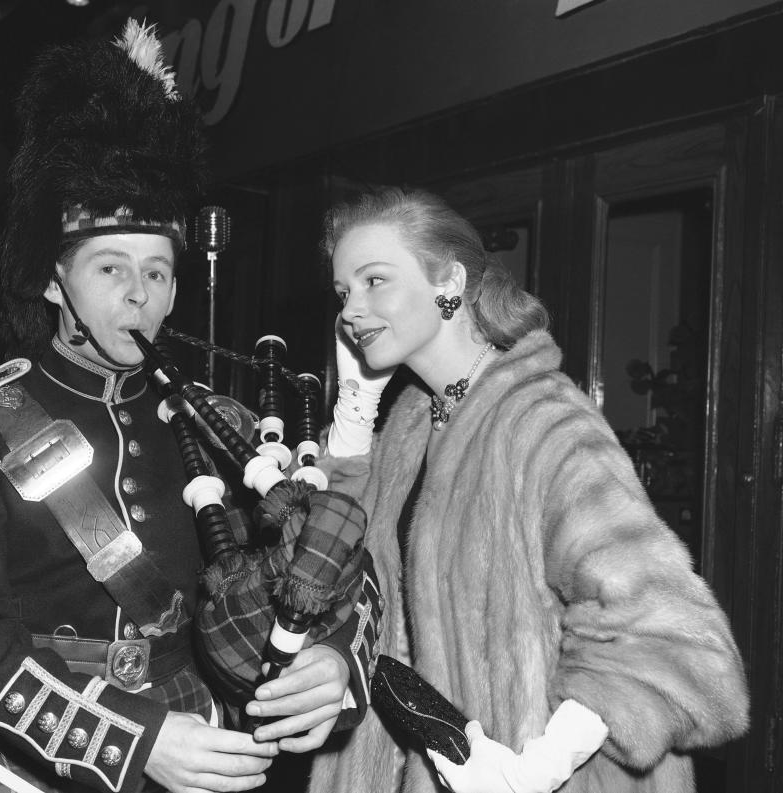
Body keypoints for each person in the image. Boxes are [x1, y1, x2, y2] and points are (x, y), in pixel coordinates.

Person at [0, 21, 375, 793]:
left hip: (202, 744)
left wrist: (336, 658)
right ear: (51, 282)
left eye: (158, 271)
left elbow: (339, 562)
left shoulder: (223, 423)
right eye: (111, 267)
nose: (141, 294)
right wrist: (137, 742)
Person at [306, 186, 749, 793]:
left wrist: (541, 765)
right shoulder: (414, 421)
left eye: (374, 281)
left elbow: (675, 638)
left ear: (449, 284)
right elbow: (333, 563)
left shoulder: (544, 423)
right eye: (343, 292)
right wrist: (354, 414)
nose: (351, 310)